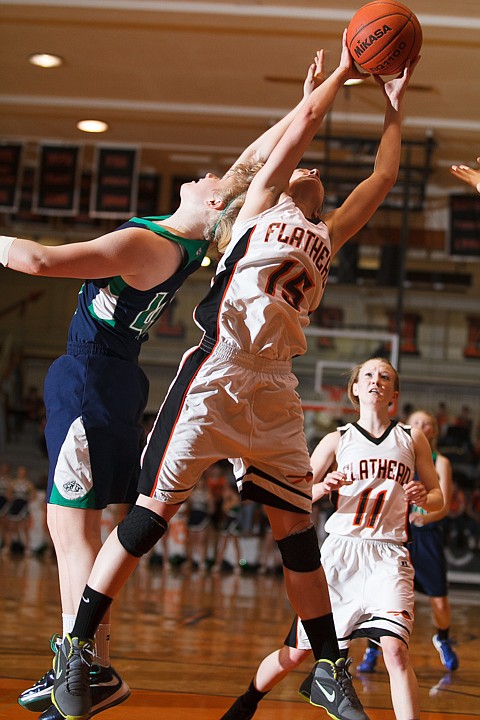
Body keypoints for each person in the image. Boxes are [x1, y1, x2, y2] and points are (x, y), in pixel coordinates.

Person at [50, 34, 419, 720]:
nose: (319, 181)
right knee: (150, 515)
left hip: (277, 386)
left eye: (322, 186)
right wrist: (341, 71)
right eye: (307, 176)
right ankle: (77, 650)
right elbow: (303, 126)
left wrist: (394, 109)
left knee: (296, 531)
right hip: (217, 372)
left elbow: (383, 181)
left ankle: (328, 667)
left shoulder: (328, 234)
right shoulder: (257, 209)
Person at [1, 50, 327, 720]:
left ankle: (85, 666)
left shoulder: (144, 246)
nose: (214, 172)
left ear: (212, 206)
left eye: (214, 180)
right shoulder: (182, 244)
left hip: (91, 377)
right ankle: (89, 667)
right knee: (77, 526)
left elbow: (35, 259)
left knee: (70, 528)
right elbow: (252, 164)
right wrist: (306, 105)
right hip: (113, 381)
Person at [221, 358, 442, 720]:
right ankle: (247, 701)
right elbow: (295, 492)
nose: (376, 380)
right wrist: (323, 486)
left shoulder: (410, 437)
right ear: (354, 389)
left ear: (394, 394)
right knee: (296, 653)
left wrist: (423, 497)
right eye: (368, 375)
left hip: (389, 554)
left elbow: (438, 497)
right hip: (342, 552)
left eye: (385, 376)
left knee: (396, 650)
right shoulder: (338, 439)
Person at [358, 409, 459, 675]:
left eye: (427, 423)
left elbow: (444, 504)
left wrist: (425, 518)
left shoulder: (440, 461)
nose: (422, 427)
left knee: (439, 600)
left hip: (426, 536)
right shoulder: (396, 455)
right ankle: (372, 650)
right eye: (416, 422)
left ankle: (443, 638)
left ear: (433, 431)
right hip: (394, 535)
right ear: (407, 427)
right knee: (383, 600)